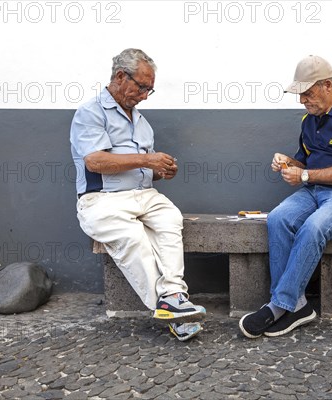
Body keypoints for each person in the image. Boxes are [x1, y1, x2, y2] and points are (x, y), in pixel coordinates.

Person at [70, 48, 206, 342]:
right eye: (142, 87)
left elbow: (146, 170)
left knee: (170, 219)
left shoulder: (141, 121)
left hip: (144, 194)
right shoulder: (90, 112)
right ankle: (170, 304)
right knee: (133, 237)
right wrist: (147, 160)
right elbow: (95, 161)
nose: (145, 95)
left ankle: (173, 294)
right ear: (120, 76)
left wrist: (161, 170)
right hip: (102, 199)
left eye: (149, 89)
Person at [239, 55, 332, 338]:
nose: (302, 100)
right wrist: (288, 162)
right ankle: (297, 305)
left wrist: (305, 177)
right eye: (300, 94)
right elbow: (305, 164)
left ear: (327, 85)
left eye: (307, 92)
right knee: (278, 218)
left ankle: (278, 305)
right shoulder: (309, 120)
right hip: (314, 192)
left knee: (314, 227)